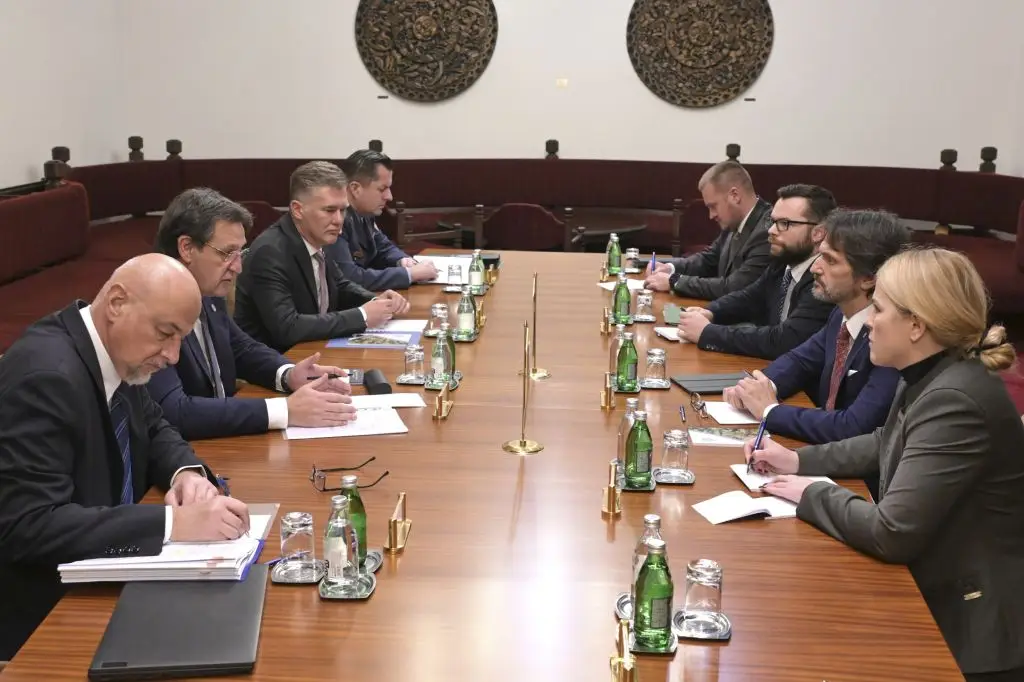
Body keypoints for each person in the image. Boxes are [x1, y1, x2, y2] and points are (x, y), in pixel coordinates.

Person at [745, 247, 1024, 681]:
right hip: (937, 592)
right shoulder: (933, 371)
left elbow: (891, 532)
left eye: (879, 308)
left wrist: (813, 492)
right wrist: (796, 459)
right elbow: (885, 441)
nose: (869, 321)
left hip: (968, 633)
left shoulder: (954, 398)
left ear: (917, 325)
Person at [0, 254, 252, 661]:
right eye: (165, 334)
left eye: (181, 339)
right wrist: (174, 524)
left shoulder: (115, 351)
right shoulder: (46, 377)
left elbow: (154, 426)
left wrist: (185, 474)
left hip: (108, 583)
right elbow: (30, 526)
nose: (172, 356)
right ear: (117, 303)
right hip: (47, 621)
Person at [148, 188, 357, 440]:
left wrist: (288, 375)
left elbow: (240, 348)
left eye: (240, 253)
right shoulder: (150, 306)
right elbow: (175, 412)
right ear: (187, 248)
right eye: (227, 253)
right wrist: (284, 410)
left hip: (221, 441)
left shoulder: (207, 292)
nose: (238, 267)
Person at [724, 209, 909, 447]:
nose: (815, 268)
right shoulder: (839, 315)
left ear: (868, 278)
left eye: (830, 260)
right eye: (819, 255)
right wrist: (757, 386)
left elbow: (853, 427)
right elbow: (800, 361)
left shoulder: (891, 336)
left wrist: (770, 411)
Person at [233, 161, 411, 352]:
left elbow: (340, 285)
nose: (338, 220)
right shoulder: (270, 252)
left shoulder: (315, 237)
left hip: (313, 351)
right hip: (280, 360)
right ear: (298, 210)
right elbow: (287, 327)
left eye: (343, 210)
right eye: (329, 210)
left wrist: (376, 302)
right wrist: (362, 316)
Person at [675, 184, 836, 359]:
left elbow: (784, 341)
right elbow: (750, 298)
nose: (771, 230)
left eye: (784, 223)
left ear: (818, 233)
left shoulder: (825, 280)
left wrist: (708, 333)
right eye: (772, 222)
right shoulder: (783, 262)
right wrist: (711, 312)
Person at [644, 160, 771, 299]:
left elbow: (734, 287)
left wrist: (674, 281)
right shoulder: (734, 221)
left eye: (713, 206)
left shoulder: (768, 231)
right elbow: (708, 260)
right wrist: (670, 268)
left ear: (735, 196)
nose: (711, 215)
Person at [324, 149, 439, 290]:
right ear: (355, 189)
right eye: (382, 189)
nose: (389, 196)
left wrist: (403, 261)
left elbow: (382, 246)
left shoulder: (365, 213)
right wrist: (409, 274)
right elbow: (349, 278)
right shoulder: (335, 220)